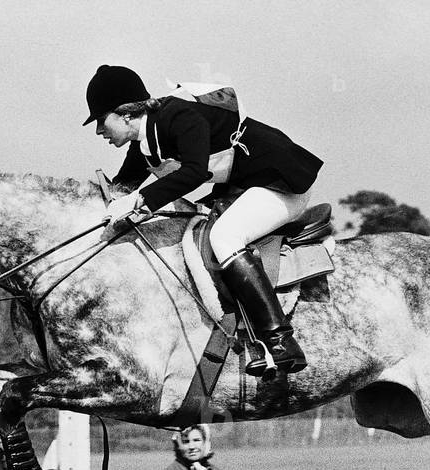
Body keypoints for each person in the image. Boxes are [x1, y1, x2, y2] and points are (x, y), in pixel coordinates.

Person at [84, 64, 324, 377]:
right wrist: (109, 201)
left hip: (280, 182)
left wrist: (140, 200)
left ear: (126, 114)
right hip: (245, 186)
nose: (99, 131)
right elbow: (125, 185)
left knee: (224, 237)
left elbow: (195, 172)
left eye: (101, 120)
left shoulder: (180, 117)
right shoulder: (146, 140)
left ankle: (280, 340)